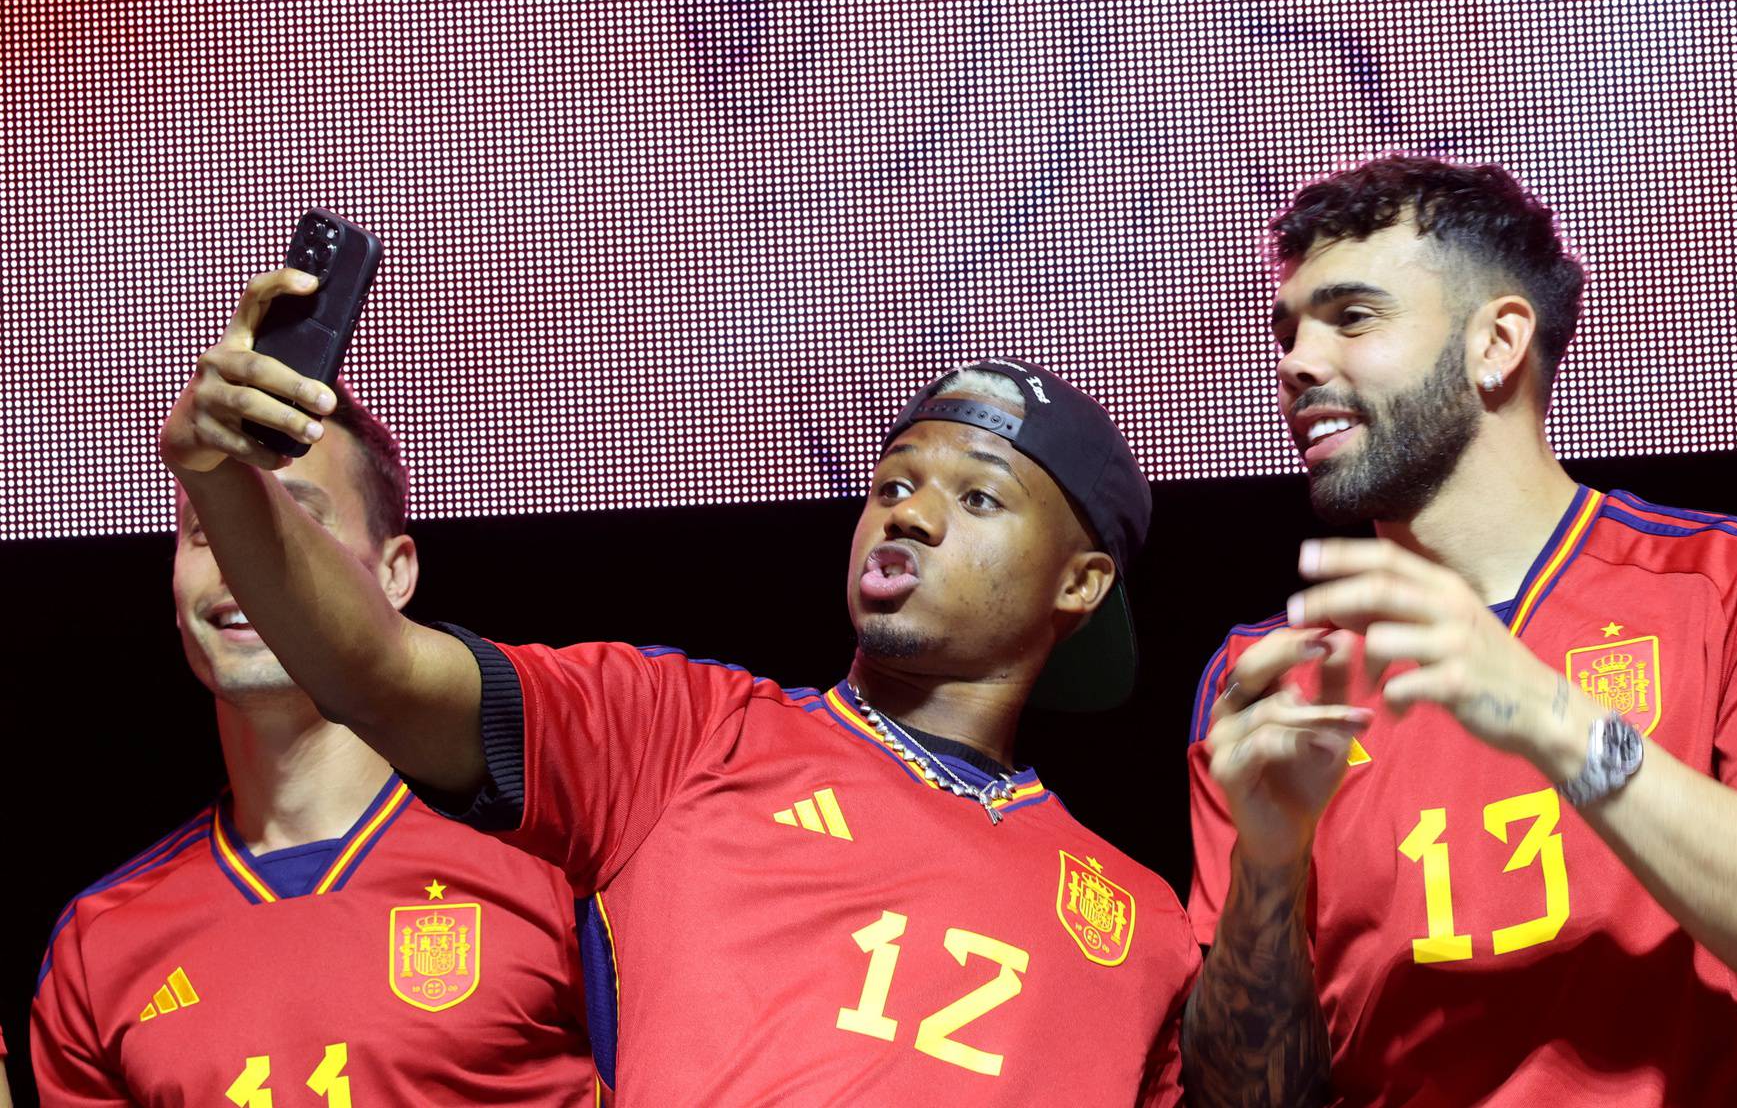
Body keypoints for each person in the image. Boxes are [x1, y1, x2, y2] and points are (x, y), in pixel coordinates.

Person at [156, 269, 1199, 1104]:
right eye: (892, 483)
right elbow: (374, 671)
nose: (910, 515)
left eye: (977, 495)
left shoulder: (1146, 929)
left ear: (1081, 580)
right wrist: (219, 479)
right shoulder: (686, 736)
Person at [1181, 156, 1737, 1106]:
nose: (1296, 363)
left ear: (1499, 341)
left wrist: (1546, 713)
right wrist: (1268, 873)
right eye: (1287, 330)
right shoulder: (1266, 676)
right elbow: (1242, 1098)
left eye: (1352, 319)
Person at [34, 387, 597, 1103]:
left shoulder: (552, 866)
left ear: (395, 573)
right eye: (209, 529)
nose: (244, 562)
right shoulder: (98, 940)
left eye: (295, 520)